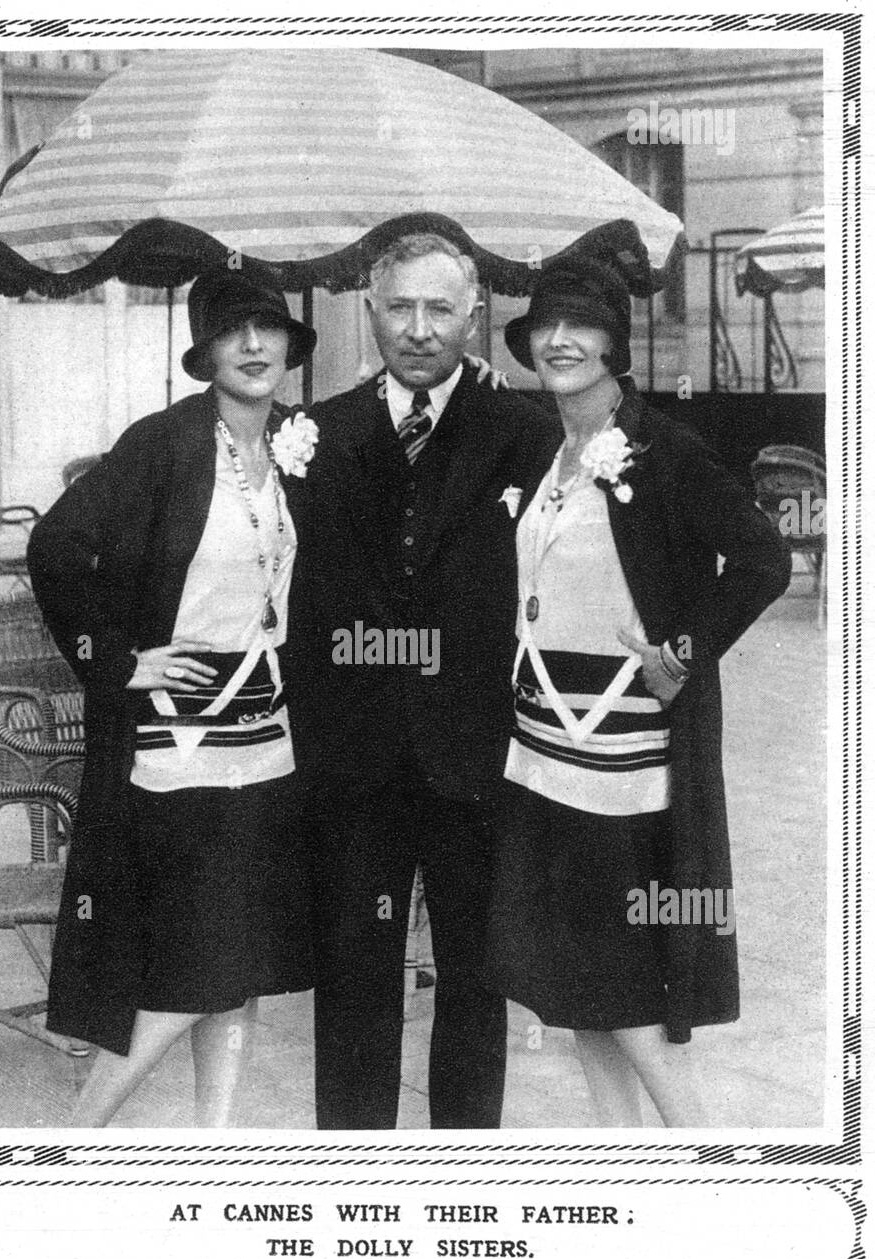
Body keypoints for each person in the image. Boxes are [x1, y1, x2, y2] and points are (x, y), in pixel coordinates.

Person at [483, 220, 791, 1126]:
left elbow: (764, 559)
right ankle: (632, 1169)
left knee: (620, 989)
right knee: (575, 989)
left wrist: (685, 654)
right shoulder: (543, 449)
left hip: (620, 764)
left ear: (615, 343)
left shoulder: (664, 447)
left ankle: (697, 1150)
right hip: (539, 755)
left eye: (581, 326)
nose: (561, 340)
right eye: (545, 326)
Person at [27, 268, 319, 1127]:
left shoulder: (297, 442)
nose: (256, 347)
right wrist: (120, 660)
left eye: (270, 329)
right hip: (180, 746)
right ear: (207, 353)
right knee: (196, 967)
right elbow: (56, 545)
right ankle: (76, 1138)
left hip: (268, 741)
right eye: (236, 332)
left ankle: (211, 1145)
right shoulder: (163, 444)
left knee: (239, 963)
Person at [305, 231, 554, 1129]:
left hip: (476, 755)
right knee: (354, 976)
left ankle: (462, 1171)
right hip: (356, 762)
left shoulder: (526, 434)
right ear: (370, 311)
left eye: (439, 309)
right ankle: (355, 1174)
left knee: (475, 979)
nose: (418, 329)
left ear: (475, 316)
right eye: (399, 307)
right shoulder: (319, 433)